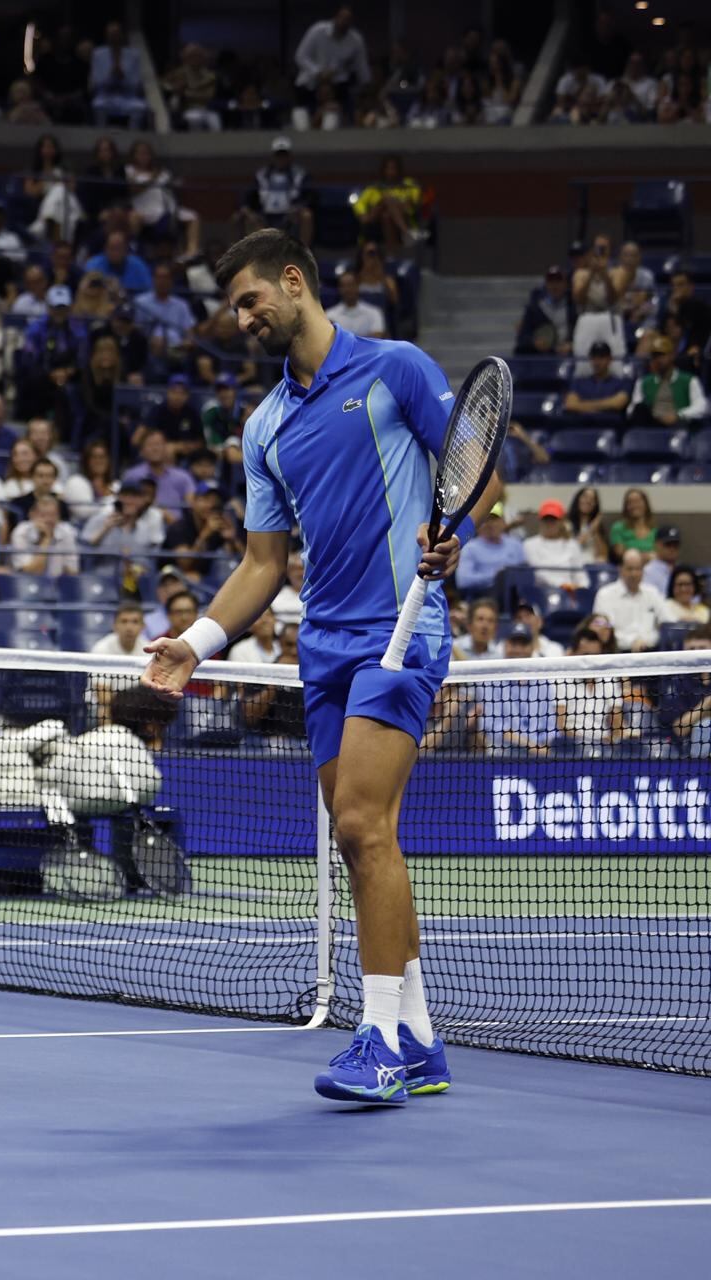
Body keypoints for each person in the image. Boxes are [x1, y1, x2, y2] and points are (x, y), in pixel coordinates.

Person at [142, 229, 486, 1105]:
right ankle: (421, 1040)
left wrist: (455, 541)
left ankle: (375, 1040)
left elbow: (476, 474)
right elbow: (263, 564)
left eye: (251, 299)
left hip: (402, 630)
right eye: (235, 308)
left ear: (294, 282)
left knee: (360, 828)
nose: (243, 317)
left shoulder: (397, 368)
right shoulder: (264, 426)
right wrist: (200, 642)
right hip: (323, 646)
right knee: (368, 836)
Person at [592, 549, 664, 652]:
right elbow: (603, 630)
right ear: (620, 569)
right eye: (629, 569)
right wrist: (632, 642)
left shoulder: (653, 593)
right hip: (617, 653)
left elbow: (667, 622)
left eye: (638, 569)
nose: (634, 574)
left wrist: (646, 641)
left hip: (651, 651)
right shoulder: (605, 595)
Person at [521, 499, 589, 596]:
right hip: (541, 594)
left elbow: (580, 575)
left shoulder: (572, 545)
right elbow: (538, 573)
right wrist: (562, 586)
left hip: (570, 594)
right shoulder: (529, 544)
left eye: (553, 520)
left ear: (561, 522)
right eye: (546, 520)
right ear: (540, 521)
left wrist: (581, 589)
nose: (549, 524)